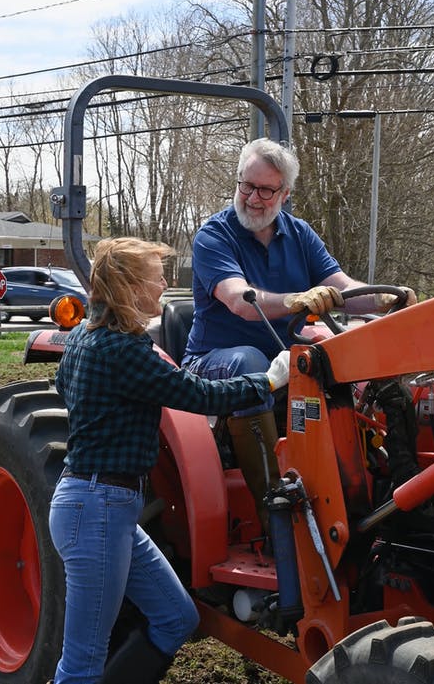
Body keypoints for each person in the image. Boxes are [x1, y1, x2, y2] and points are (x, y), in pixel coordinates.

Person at [47, 236, 290, 684]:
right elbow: (197, 395)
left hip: (106, 508)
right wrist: (269, 382)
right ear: (130, 286)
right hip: (97, 507)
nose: (164, 284)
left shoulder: (83, 337)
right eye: (156, 276)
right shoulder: (123, 349)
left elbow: (64, 387)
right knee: (81, 665)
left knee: (177, 617)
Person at [181, 137, 417, 528]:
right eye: (246, 185)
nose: (253, 198)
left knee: (352, 362)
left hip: (288, 363)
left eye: (266, 190)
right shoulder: (214, 236)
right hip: (213, 363)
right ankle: (274, 521)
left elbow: (341, 289)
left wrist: (381, 300)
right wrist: (296, 300)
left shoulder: (299, 234)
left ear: (285, 193)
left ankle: (374, 493)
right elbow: (240, 299)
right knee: (251, 362)